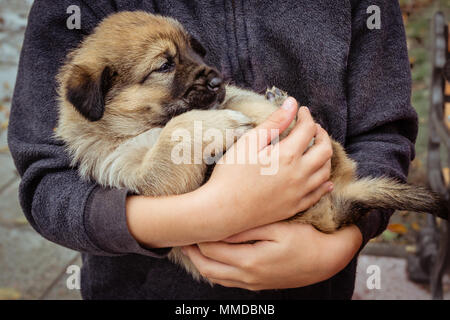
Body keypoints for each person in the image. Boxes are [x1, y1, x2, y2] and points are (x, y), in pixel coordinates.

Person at [8, 0, 417, 299]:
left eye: (193, 53)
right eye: (167, 66)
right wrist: (204, 216)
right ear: (98, 96)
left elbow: (383, 135)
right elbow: (47, 182)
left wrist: (339, 248)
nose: (213, 78)